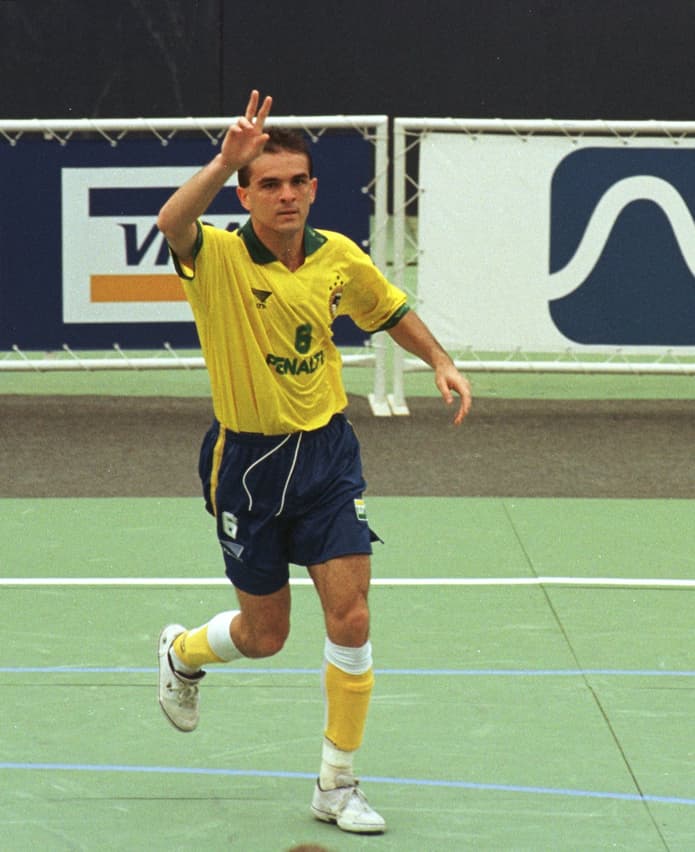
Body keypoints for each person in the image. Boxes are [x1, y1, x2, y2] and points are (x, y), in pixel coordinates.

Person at [155, 90, 472, 836]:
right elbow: (173, 223)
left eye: (297, 181)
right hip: (249, 462)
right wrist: (223, 157)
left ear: (314, 188)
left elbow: (386, 308)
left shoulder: (337, 255)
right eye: (268, 183)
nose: (286, 195)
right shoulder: (221, 257)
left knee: (352, 618)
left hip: (328, 454)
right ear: (246, 193)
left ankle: (336, 783)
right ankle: (182, 652)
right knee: (266, 636)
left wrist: (439, 360)